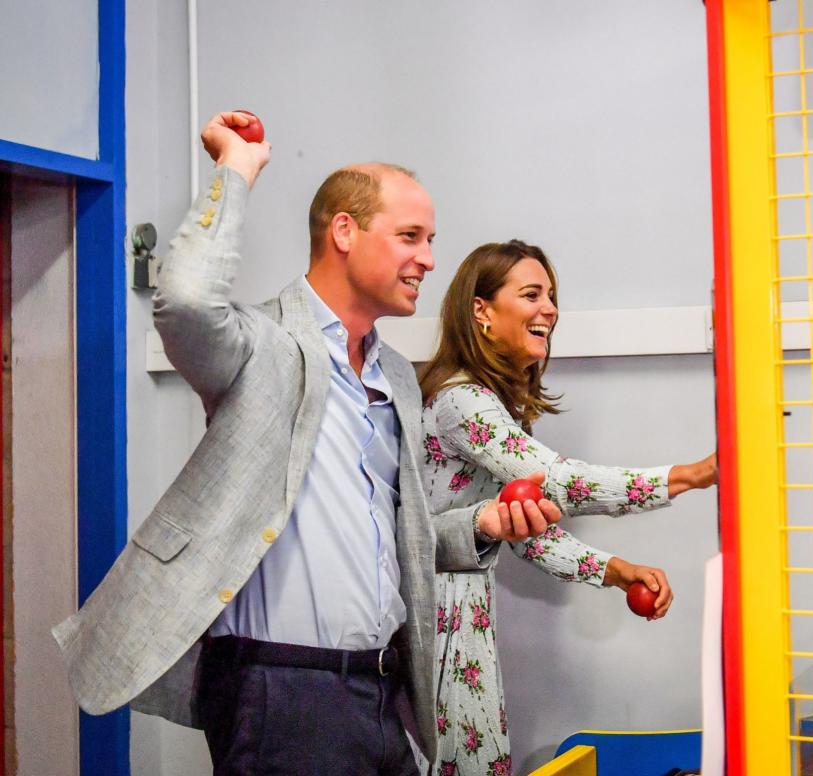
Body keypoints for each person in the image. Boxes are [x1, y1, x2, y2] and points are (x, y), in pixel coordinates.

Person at [53, 112, 563, 775]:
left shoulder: (398, 378)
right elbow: (182, 301)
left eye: (430, 239)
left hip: (383, 690)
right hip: (282, 691)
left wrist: (479, 525)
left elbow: (387, 532)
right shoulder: (262, 346)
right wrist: (236, 167)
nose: (430, 259)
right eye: (409, 236)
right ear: (344, 232)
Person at [417, 239, 718, 776]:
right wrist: (686, 476)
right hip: (432, 623)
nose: (550, 309)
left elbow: (523, 529)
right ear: (481, 311)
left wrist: (615, 571)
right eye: (531, 294)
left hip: (463, 620)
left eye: (551, 296)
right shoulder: (462, 400)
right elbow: (560, 482)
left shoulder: (491, 405)